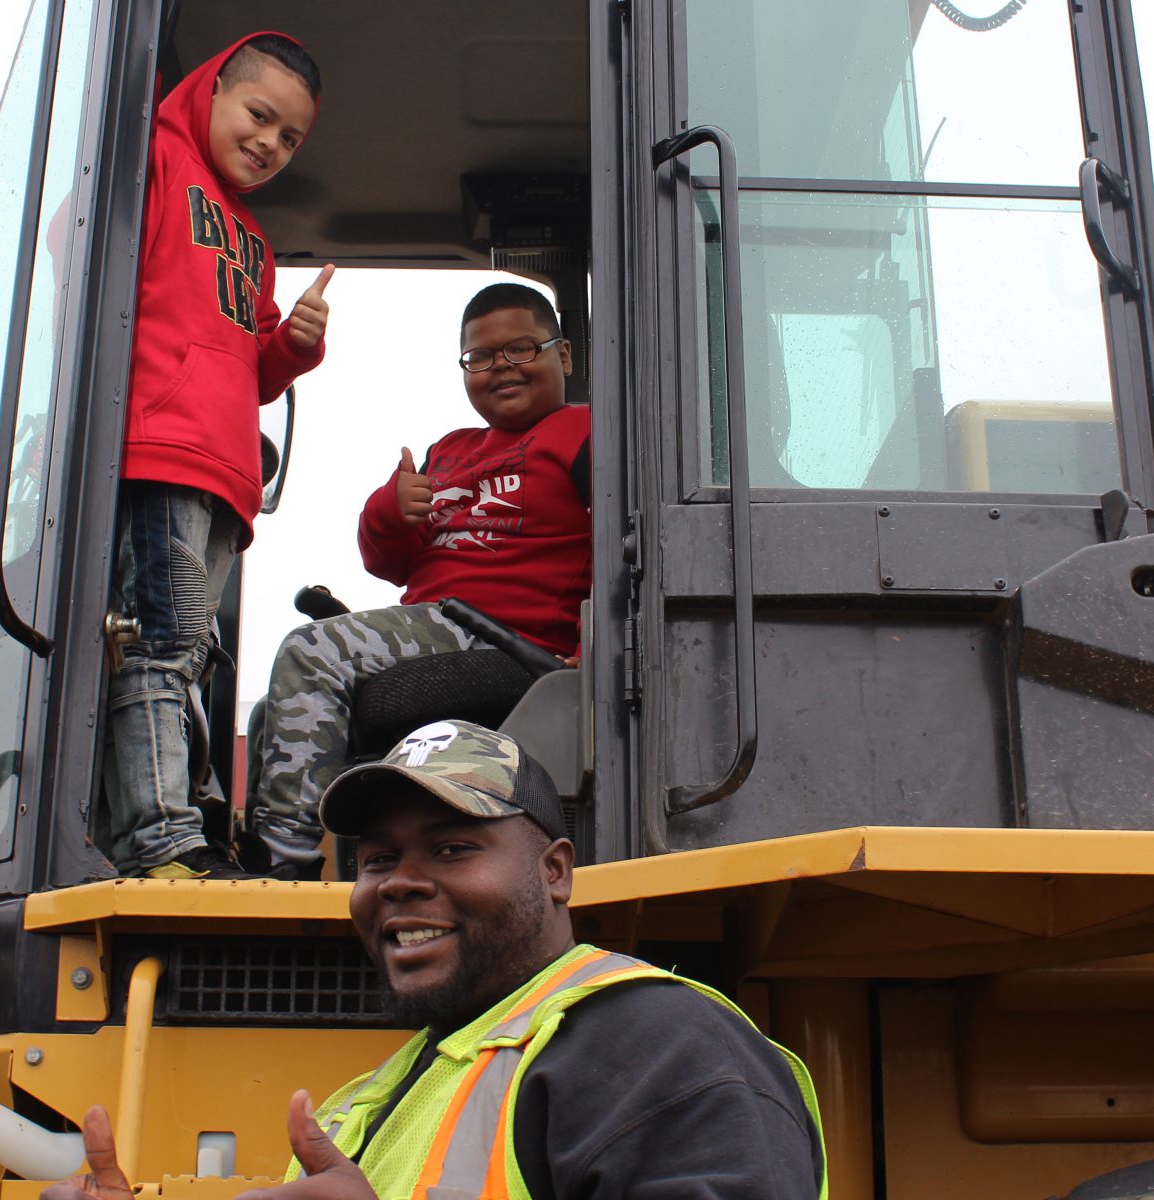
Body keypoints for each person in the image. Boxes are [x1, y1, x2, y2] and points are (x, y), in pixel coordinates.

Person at [45, 722, 827, 1199]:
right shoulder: (387, 1093)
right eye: (378, 858)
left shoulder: (657, 1049)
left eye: (453, 848)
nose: (399, 883)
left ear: (555, 872)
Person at [245, 283, 591, 879]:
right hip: (437, 624)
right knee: (268, 712)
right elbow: (389, 563)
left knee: (310, 652)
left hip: (507, 637)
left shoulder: (585, 434)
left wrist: (590, 658)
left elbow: (627, 549)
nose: (500, 368)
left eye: (521, 350)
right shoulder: (450, 451)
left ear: (562, 355)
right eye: (480, 358)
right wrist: (390, 510)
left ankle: (286, 866)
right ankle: (296, 844)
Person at [106, 31, 334, 880]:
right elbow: (80, 241)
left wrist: (295, 345)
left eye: (290, 138)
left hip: (226, 475)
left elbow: (256, 369)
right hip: (161, 454)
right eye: (260, 116)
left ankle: (187, 818)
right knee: (162, 642)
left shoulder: (253, 242)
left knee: (190, 653)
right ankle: (161, 839)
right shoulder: (154, 162)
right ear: (208, 95)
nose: (270, 144)